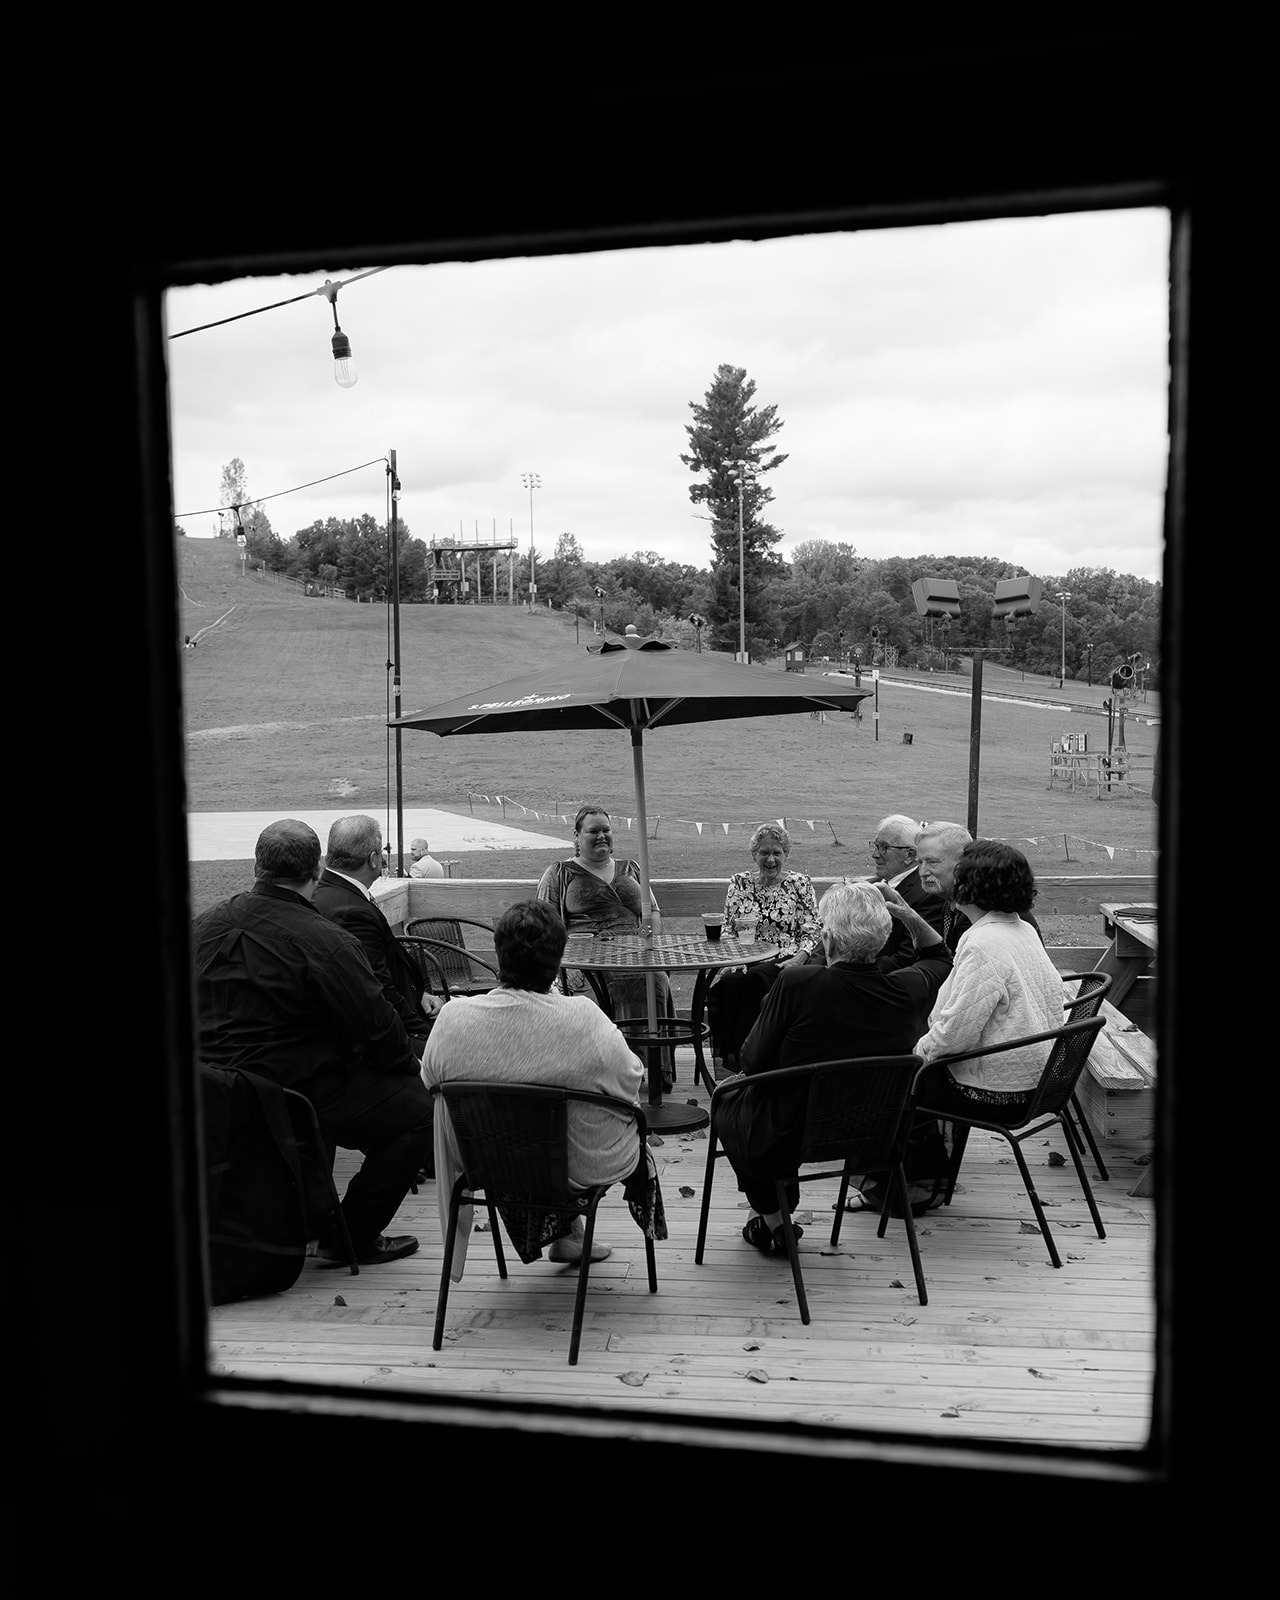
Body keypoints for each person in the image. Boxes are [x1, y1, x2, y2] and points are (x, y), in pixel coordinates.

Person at [193, 819, 434, 1266]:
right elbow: (381, 1032)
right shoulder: (325, 941)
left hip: (209, 1091)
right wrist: (405, 1065)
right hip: (291, 1094)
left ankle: (315, 1217)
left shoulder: (203, 928)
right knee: (419, 1111)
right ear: (318, 869)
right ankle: (350, 1234)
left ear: (256, 866)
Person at [715, 880, 953, 1254]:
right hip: (873, 1133)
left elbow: (751, 1060)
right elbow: (940, 955)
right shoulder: (907, 988)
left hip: (788, 1134)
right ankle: (769, 1222)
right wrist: (905, 911)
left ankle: (774, 1217)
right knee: (770, 1106)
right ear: (883, 935)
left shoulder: (797, 982)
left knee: (729, 1103)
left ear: (826, 939)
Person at [422, 900, 647, 1271]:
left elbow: (430, 1082)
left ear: (499, 955)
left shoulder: (452, 1019)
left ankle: (568, 1237)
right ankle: (569, 1235)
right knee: (612, 1118)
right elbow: (629, 1082)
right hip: (576, 1169)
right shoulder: (582, 1019)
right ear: (558, 960)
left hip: (488, 1165)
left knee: (529, 1123)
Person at [913, 841, 1067, 1121]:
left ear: (973, 885)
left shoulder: (983, 943)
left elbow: (954, 1034)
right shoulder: (1022, 928)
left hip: (1000, 1093)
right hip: (1039, 1080)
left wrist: (919, 1051)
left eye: (958, 875)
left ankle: (916, 1164)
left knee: (890, 1083)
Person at [536, 803, 678, 1087]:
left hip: (636, 954)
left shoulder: (632, 868)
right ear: (577, 836)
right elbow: (546, 925)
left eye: (606, 830)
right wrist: (564, 964)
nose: (601, 836)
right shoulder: (559, 873)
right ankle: (612, 1073)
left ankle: (649, 1069)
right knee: (611, 988)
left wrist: (652, 937)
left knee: (656, 979)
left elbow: (654, 911)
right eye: (593, 831)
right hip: (587, 960)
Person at [312, 814, 444, 1051]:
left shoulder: (323, 892)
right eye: (381, 854)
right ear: (373, 859)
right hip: (385, 1040)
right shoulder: (353, 913)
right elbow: (379, 989)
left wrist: (418, 997)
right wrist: (430, 1033)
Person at [707, 822, 820, 1072]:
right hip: (745, 960)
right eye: (764, 853)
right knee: (727, 985)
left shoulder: (799, 884)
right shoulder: (740, 883)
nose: (770, 859)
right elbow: (727, 928)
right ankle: (731, 1062)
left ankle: (752, 1061)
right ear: (754, 855)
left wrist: (798, 959)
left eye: (776, 853)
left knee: (754, 981)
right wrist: (734, 961)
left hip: (785, 960)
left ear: (785, 855)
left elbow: (813, 931)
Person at [864, 812, 946, 969]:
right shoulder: (869, 886)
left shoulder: (927, 895)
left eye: (884, 848)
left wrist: (852, 971)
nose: (875, 855)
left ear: (910, 855)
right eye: (875, 846)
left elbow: (909, 956)